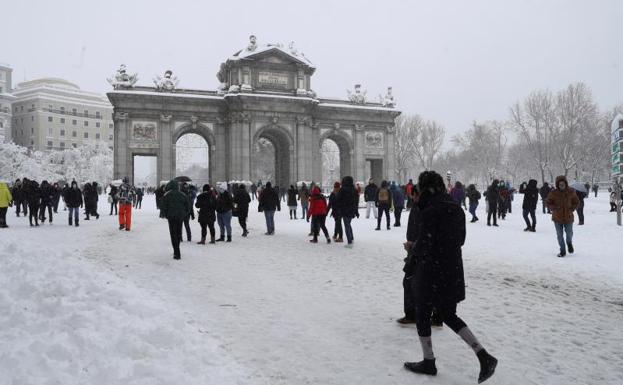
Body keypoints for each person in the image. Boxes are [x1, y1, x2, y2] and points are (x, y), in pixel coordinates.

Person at [403, 171, 497, 383]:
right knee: (447, 314)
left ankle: (428, 361)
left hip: (431, 270)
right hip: (452, 268)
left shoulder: (429, 210)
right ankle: (483, 355)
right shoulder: (455, 208)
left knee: (422, 313)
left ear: (425, 188)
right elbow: (460, 239)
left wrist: (412, 247)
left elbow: (426, 244)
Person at [546, 176, 579, 258]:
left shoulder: (571, 191)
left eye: (563, 183)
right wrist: (553, 208)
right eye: (560, 184)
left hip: (568, 217)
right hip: (557, 217)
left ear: (565, 183)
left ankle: (569, 242)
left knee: (569, 233)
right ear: (557, 184)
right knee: (559, 235)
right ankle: (562, 250)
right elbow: (547, 202)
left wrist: (572, 208)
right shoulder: (553, 193)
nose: (561, 185)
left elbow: (577, 201)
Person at [161, 179, 190, 260]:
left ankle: (176, 252)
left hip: (171, 217)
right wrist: (184, 214)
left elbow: (163, 207)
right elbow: (188, 206)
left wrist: (166, 215)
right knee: (178, 233)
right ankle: (177, 250)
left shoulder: (167, 195)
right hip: (180, 217)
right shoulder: (183, 195)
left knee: (173, 234)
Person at [336, 176, 359, 247]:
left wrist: (338, 208)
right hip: (352, 210)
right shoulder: (354, 190)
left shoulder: (342, 189)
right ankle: (351, 238)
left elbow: (338, 199)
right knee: (348, 224)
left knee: (347, 226)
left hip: (344, 210)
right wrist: (356, 211)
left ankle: (349, 242)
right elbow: (356, 201)